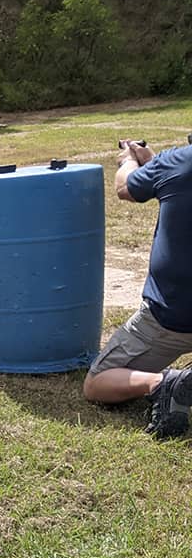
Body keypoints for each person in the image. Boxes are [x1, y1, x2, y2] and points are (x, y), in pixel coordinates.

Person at [83, 139, 192, 437]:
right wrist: (155, 163)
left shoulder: (177, 162)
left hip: (171, 316)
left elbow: (125, 188)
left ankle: (161, 384)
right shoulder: (172, 163)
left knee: (97, 382)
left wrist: (129, 161)